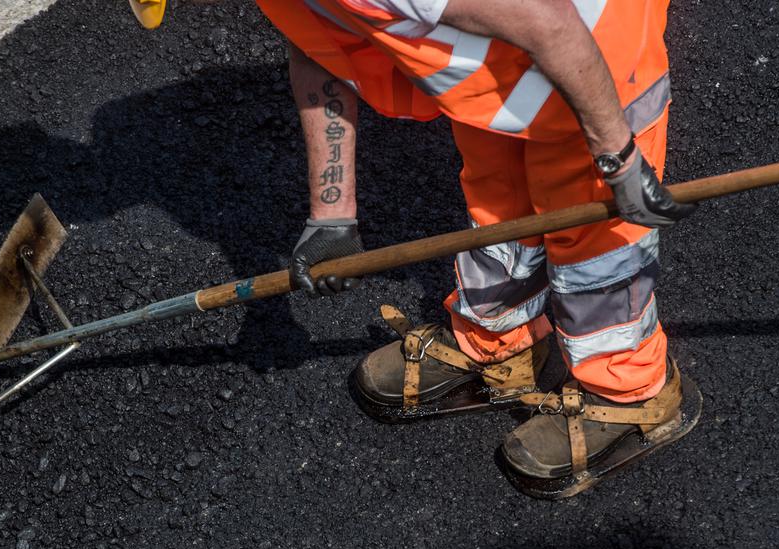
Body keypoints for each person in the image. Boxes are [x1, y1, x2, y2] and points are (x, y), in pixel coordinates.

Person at [128, 0, 701, 496]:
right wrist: (332, 214)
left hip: (593, 44)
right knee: (498, 206)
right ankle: (500, 341)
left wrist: (620, 158)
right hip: (503, 55)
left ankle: (629, 391)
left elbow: (550, 24)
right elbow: (319, 47)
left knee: (597, 245)